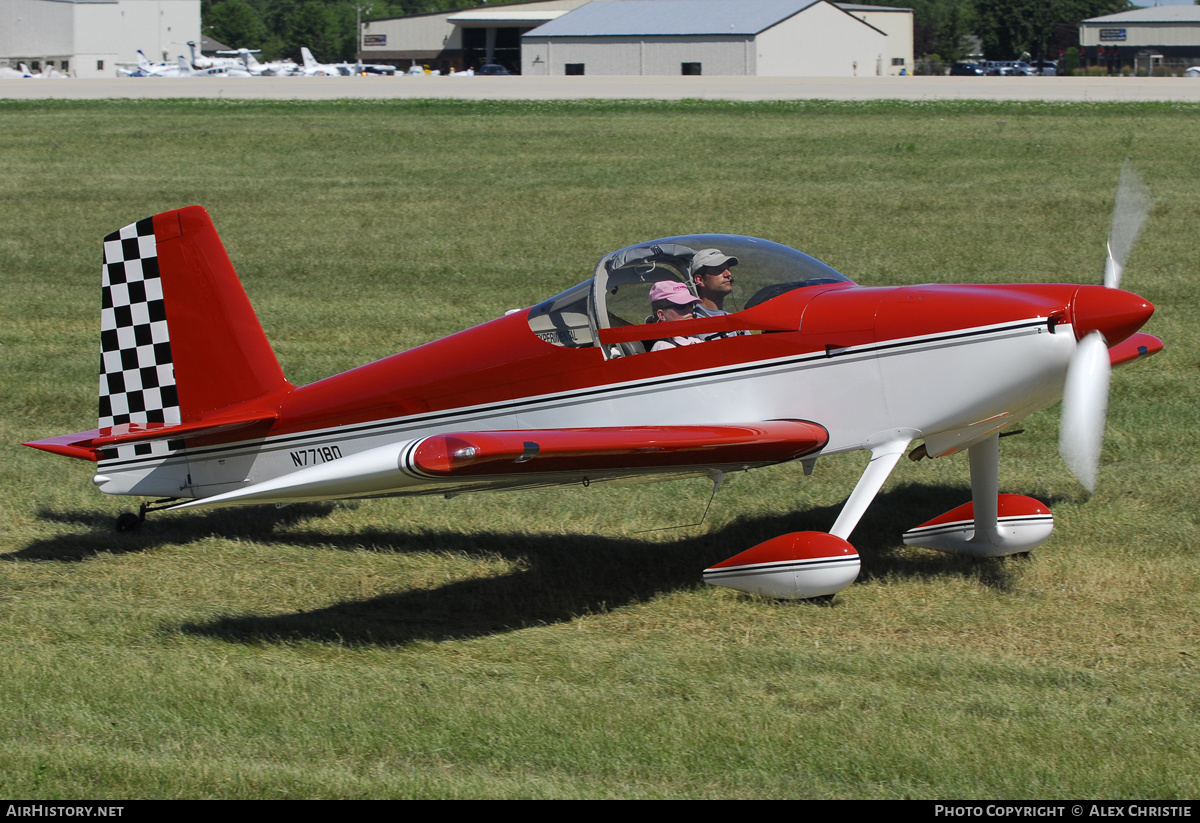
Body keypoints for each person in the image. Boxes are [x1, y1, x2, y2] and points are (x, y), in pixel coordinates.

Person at [689, 248, 749, 338]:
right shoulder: (691, 323)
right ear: (700, 280)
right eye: (719, 270)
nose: (728, 274)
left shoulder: (736, 323)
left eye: (727, 269)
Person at [647, 281, 703, 352]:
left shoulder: (695, 340)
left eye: (690, 304)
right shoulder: (663, 347)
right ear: (662, 315)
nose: (689, 309)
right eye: (681, 306)